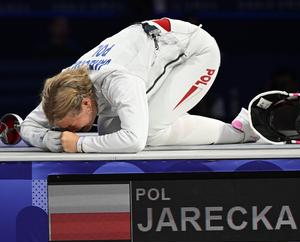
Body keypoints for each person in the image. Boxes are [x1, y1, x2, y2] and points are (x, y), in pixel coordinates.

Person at [20, 18, 259, 153]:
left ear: (85, 102)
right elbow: (28, 125)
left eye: (71, 126)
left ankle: (244, 130)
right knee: (109, 136)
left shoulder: (119, 79)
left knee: (149, 132)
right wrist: (44, 139)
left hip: (193, 53)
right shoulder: (64, 86)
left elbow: (135, 141)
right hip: (153, 49)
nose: (68, 132)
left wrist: (80, 144)